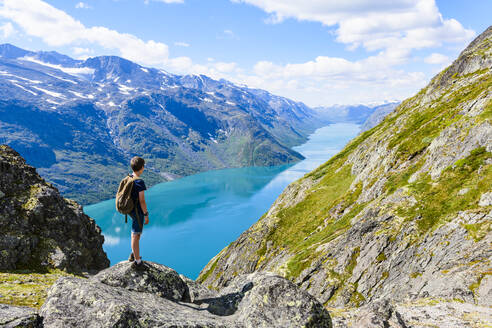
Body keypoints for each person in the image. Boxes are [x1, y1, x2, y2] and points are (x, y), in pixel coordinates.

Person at [128, 156, 149, 268]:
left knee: (135, 233)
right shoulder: (139, 182)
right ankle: (137, 261)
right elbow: (142, 201)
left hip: (130, 210)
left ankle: (134, 254)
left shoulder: (129, 177)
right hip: (137, 211)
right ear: (141, 167)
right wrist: (145, 214)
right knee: (136, 235)